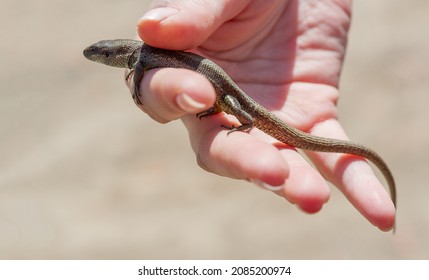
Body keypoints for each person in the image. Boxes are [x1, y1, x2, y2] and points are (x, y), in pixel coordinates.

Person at [126, 0, 395, 231]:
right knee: (216, 100)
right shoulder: (141, 56)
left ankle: (246, 123)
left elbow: (139, 72)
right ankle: (233, 114)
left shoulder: (140, 58)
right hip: (220, 89)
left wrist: (137, 85)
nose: (96, 55)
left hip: (231, 95)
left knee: (236, 109)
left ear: (114, 54)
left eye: (100, 53)